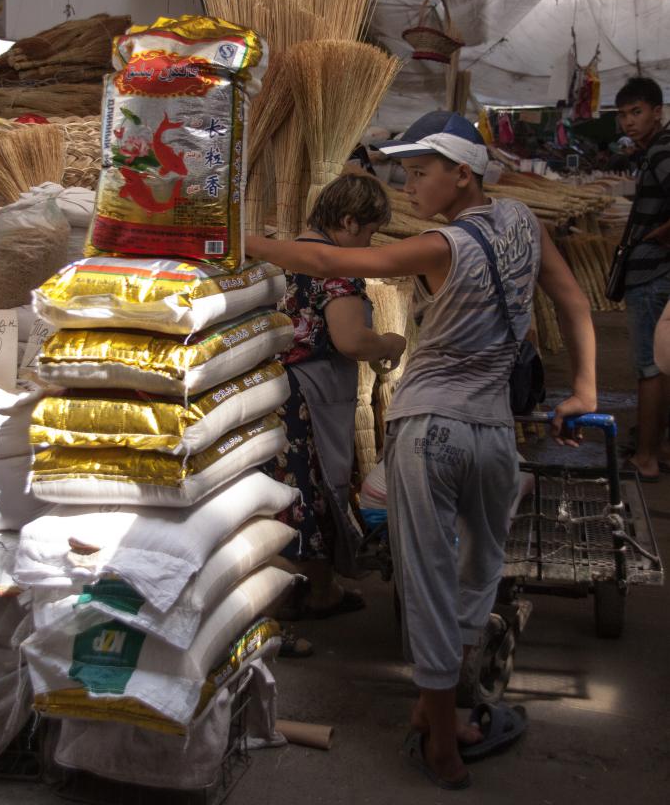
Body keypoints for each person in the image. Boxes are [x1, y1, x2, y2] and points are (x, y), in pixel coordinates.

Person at [247, 111, 597, 790]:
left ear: (461, 173)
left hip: (429, 433)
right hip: (495, 437)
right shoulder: (525, 223)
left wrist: (244, 238)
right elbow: (574, 303)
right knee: (475, 575)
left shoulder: (440, 247)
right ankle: (438, 707)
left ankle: (443, 741)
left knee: (428, 584)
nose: (408, 189)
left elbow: (326, 260)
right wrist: (581, 390)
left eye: (420, 173)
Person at [268, 173, 406, 630]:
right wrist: (388, 342)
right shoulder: (335, 273)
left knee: (283, 491)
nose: (369, 243)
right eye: (368, 233)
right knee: (314, 490)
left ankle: (288, 589)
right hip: (307, 400)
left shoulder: (284, 256)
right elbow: (350, 341)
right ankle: (314, 593)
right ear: (348, 221)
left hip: (271, 394)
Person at [615, 76, 670, 481]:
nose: (628, 122)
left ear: (657, 111)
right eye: (622, 115)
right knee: (663, 364)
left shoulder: (662, 150)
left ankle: (646, 458)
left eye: (636, 112)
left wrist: (662, 233)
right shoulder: (657, 148)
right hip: (657, 270)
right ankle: (659, 444)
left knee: (648, 367)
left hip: (652, 273)